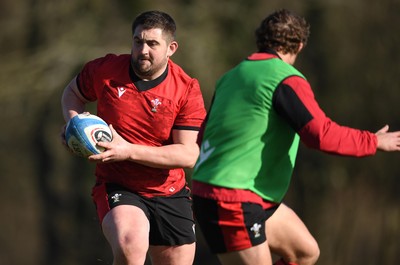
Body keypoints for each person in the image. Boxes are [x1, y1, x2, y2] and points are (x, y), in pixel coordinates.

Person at [191, 9, 400, 265]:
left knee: (304, 251)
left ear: (261, 41)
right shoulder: (285, 79)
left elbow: (203, 137)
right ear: (299, 46)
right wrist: (375, 141)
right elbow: (321, 135)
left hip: (226, 192)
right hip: (232, 199)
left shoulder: (230, 77)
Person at [61, 10, 206, 265]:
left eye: (152, 44)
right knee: (132, 246)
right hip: (119, 185)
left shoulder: (186, 88)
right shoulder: (105, 70)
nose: (143, 50)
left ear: (171, 48)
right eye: (138, 41)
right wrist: (74, 123)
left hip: (169, 191)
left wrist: (128, 150)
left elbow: (188, 154)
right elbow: (73, 92)